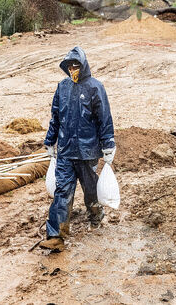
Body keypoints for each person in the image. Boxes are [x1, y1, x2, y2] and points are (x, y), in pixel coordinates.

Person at [40, 46, 115, 252]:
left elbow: (104, 119)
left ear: (83, 66)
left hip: (87, 151)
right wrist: (50, 141)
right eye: (70, 66)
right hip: (65, 151)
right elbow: (55, 117)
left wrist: (108, 145)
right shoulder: (62, 87)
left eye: (76, 65)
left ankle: (96, 215)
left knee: (91, 190)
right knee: (62, 191)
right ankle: (56, 235)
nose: (73, 69)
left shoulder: (95, 88)